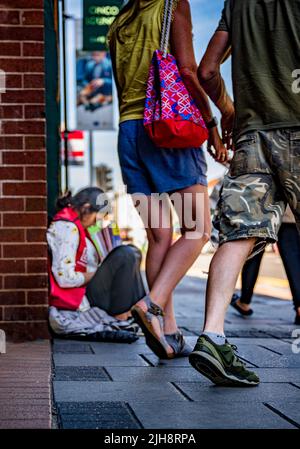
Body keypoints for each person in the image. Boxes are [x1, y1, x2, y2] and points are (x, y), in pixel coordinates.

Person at [189, 0, 300, 386]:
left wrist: (228, 109)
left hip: (252, 135)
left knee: (238, 235)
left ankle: (212, 335)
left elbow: (206, 70)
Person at [108, 0, 227, 359]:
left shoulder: (119, 23)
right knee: (198, 229)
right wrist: (212, 124)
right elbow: (189, 72)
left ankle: (168, 331)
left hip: (129, 132)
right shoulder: (173, 4)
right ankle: (153, 304)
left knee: (159, 237)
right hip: (166, 130)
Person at [47, 187, 146, 325]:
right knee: (126, 254)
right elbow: (64, 278)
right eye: (97, 216)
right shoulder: (66, 228)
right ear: (86, 208)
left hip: (89, 291)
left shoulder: (78, 227)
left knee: (133, 251)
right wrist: (99, 273)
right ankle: (130, 314)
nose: (95, 223)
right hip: (81, 298)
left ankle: (136, 311)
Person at [231, 207, 300, 325]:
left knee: (254, 253)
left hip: (262, 207)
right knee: (292, 254)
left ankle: (244, 302)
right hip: (288, 209)